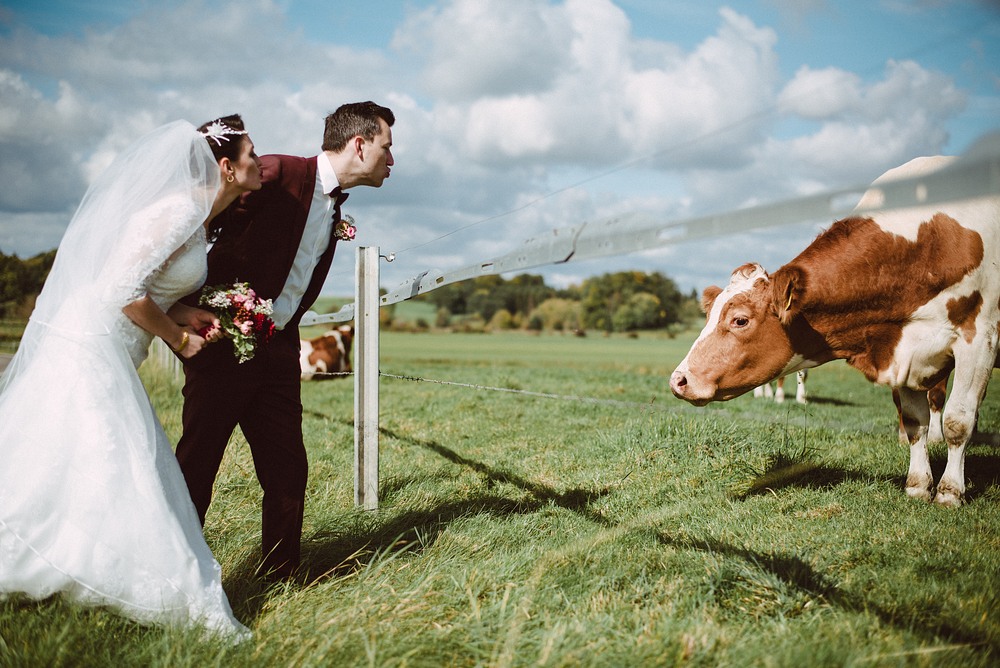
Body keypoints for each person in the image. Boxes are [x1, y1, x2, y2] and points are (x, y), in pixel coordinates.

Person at [0, 115, 262, 639]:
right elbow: (121, 289)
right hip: (89, 343)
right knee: (116, 460)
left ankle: (61, 560)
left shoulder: (197, 213)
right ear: (227, 168)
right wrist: (176, 337)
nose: (261, 162)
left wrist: (185, 311)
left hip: (106, 342)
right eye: (253, 153)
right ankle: (148, 584)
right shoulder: (181, 208)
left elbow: (150, 282)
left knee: (67, 457)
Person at [175, 101, 395, 580]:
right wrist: (189, 306)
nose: (391, 160)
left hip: (279, 351)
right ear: (360, 145)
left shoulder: (333, 204)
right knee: (198, 465)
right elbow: (197, 211)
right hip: (223, 346)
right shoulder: (275, 173)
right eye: (386, 147)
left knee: (287, 471)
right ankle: (177, 572)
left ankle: (281, 576)